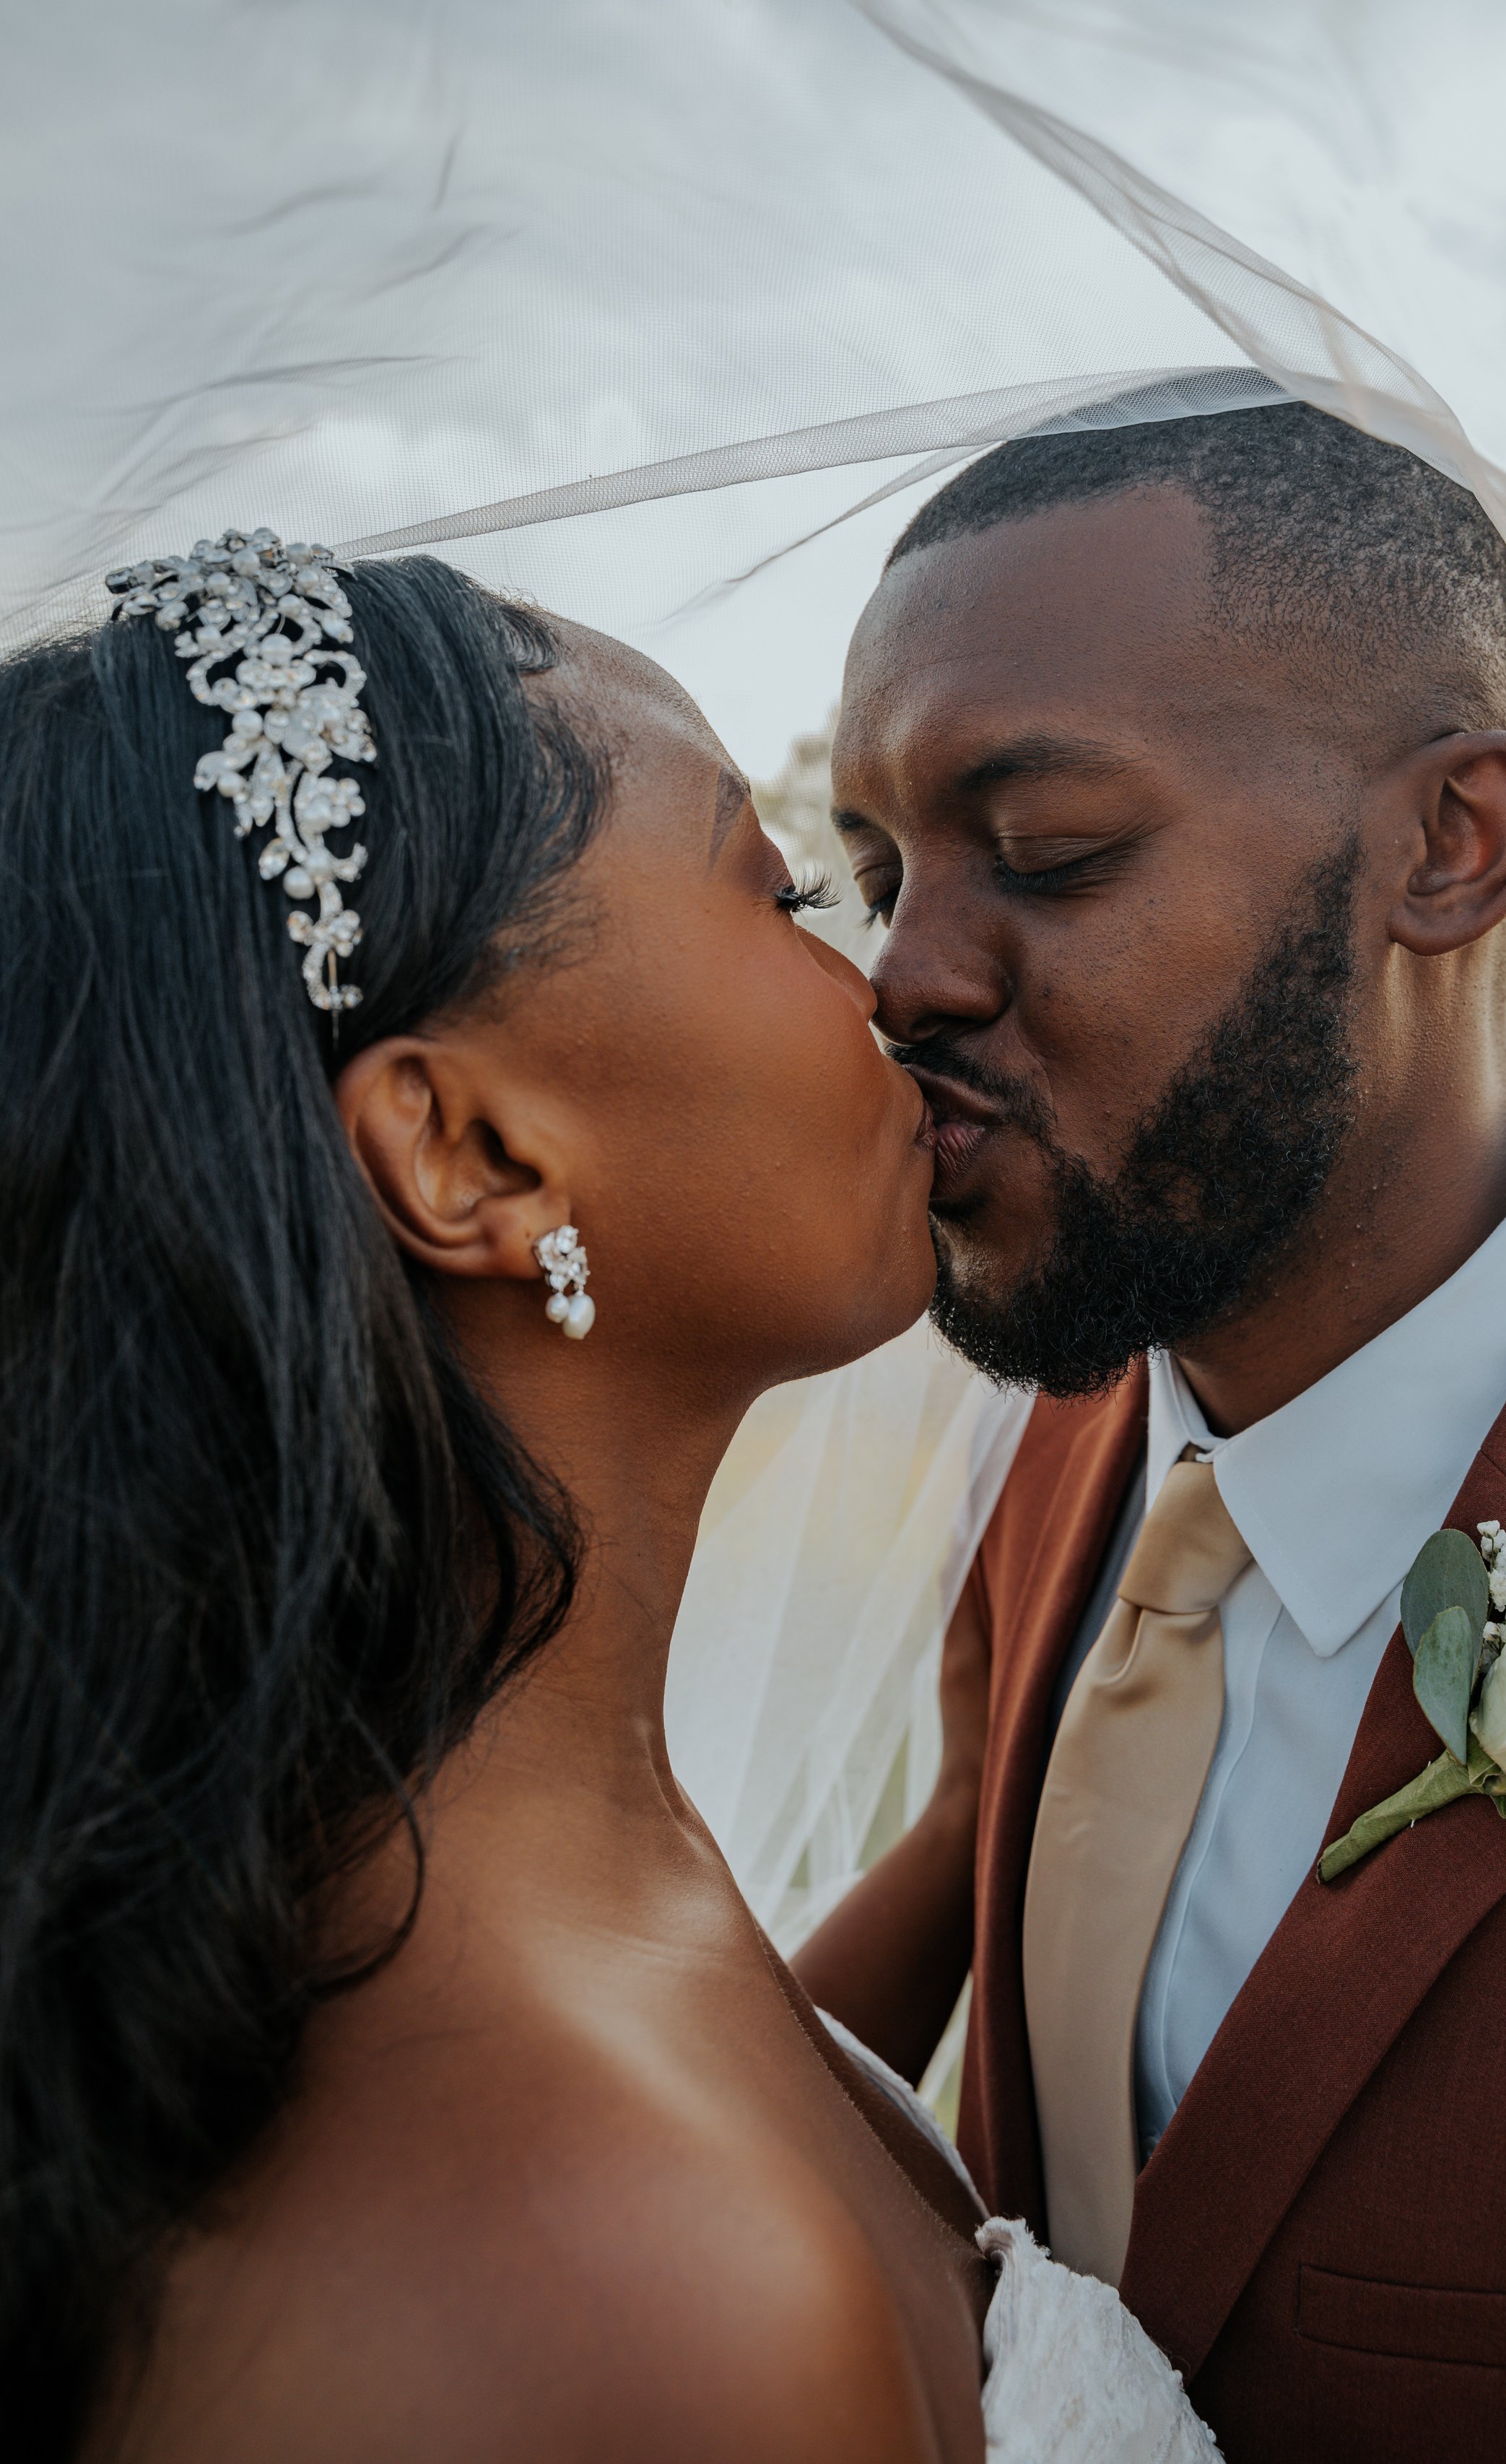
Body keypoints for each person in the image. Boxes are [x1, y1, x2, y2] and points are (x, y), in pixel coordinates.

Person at [0, 540, 1218, 2462]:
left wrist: (963, 1834)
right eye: (784, 891)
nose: (893, 985)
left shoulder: (469, 1836)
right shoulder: (634, 2298)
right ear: (469, 1150)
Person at [799, 404, 1506, 2460]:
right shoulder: (1050, 1461)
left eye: (1048, 849)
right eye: (873, 873)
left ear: (1452, 848)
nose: (892, 975)